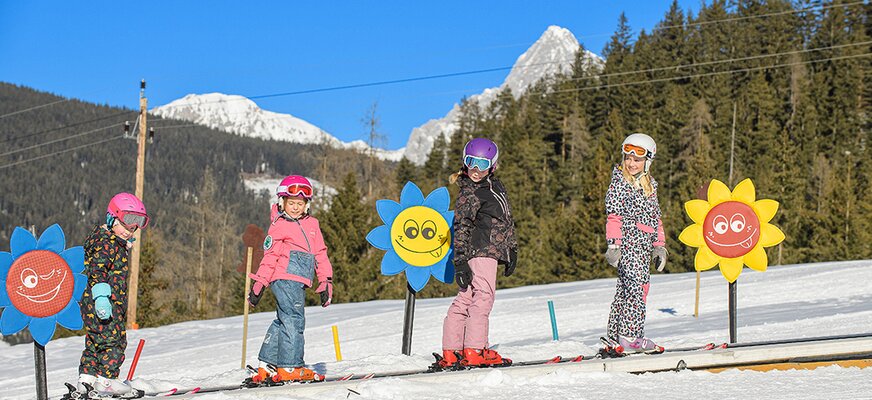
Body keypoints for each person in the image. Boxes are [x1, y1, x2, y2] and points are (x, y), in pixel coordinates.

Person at [435, 138, 518, 370]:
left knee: (467, 297)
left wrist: (511, 249)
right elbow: (460, 227)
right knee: (484, 296)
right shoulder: (470, 192)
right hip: (480, 252)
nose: (476, 169)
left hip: (488, 251)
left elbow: (505, 221)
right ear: (464, 161)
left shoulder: (494, 187)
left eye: (482, 164)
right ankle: (475, 349)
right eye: (471, 162)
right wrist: (460, 260)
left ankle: (452, 351)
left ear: (492, 165)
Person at [247, 175, 334, 384]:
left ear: (306, 204)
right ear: (282, 202)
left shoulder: (313, 224)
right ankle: (290, 366)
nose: (296, 207)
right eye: (291, 203)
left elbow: (320, 253)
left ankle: (267, 364)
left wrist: (326, 280)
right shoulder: (279, 225)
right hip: (284, 278)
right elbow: (270, 257)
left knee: (284, 319)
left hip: (298, 281)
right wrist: (260, 283)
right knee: (295, 319)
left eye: (300, 203)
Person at [75, 192, 150, 398]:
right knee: (114, 341)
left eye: (137, 224)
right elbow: (97, 270)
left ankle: (87, 381)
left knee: (95, 342)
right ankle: (107, 381)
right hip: (103, 303)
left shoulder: (110, 241)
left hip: (98, 304)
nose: (130, 230)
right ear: (112, 218)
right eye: (127, 223)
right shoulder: (107, 243)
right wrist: (101, 298)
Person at [603, 133, 668, 354]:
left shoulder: (650, 186)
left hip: (644, 247)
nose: (631, 163)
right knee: (637, 289)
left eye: (637, 159)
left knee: (625, 289)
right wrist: (614, 245)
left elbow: (655, 218)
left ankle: (615, 335)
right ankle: (630, 336)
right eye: (628, 158)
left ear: (647, 161)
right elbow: (614, 216)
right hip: (628, 244)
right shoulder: (619, 183)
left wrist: (659, 245)